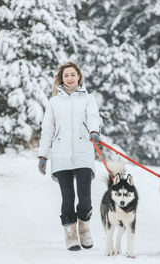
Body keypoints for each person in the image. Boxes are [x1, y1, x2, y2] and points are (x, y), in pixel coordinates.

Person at [37, 61, 102, 251]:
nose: (70, 78)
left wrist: (94, 131)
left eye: (73, 74)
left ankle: (83, 225)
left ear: (79, 76)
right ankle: (71, 233)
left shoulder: (88, 99)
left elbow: (93, 116)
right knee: (68, 197)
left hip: (83, 153)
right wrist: (43, 155)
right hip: (61, 155)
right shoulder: (54, 102)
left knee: (85, 197)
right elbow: (47, 129)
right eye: (66, 75)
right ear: (61, 78)